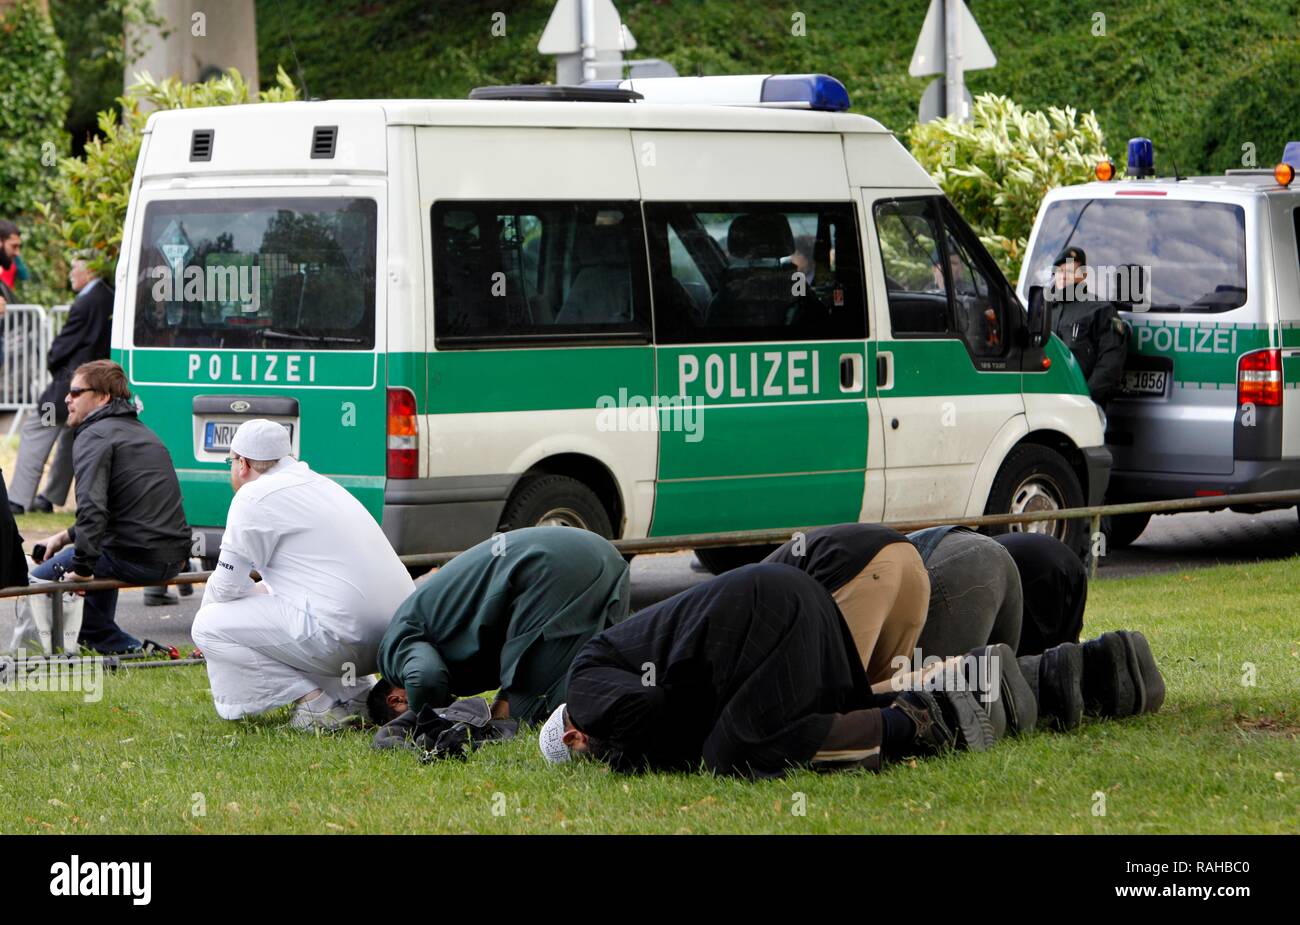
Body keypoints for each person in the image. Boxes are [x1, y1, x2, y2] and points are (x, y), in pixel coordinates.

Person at [540, 563, 1008, 777]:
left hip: (766, 612)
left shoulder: (582, 687)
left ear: (572, 737)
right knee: (832, 708)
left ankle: (915, 724)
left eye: (588, 755)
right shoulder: (609, 666)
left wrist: (625, 761)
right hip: (791, 597)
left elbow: (649, 707)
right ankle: (961, 688)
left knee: (737, 753)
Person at [191, 419, 414, 730]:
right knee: (299, 610)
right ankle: (356, 696)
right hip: (394, 640)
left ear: (242, 464)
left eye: (232, 461)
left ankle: (315, 707)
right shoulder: (323, 484)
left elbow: (226, 587)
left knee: (208, 625)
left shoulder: (253, 495)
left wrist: (204, 638)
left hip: (348, 640)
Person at [370, 526, 631, 732]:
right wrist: (500, 705)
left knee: (529, 707)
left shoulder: (394, 653)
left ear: (395, 700)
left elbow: (425, 677)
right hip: (603, 554)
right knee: (596, 675)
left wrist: (427, 725)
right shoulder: (424, 630)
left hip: (548, 566)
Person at [31, 360, 192, 653]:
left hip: (137, 558)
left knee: (39, 583)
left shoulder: (94, 435)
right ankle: (108, 643)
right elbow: (120, 511)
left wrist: (80, 569)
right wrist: (63, 538)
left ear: (103, 397)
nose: (67, 399)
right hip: (173, 557)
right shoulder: (140, 431)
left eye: (77, 392)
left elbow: (93, 509)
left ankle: (128, 647)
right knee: (96, 553)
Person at [763, 524, 929, 685]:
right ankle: (947, 675)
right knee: (885, 695)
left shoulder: (741, 607)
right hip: (911, 559)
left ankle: (946, 675)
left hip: (859, 561)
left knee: (834, 697)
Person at [9, 258, 112, 518]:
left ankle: (18, 499)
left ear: (89, 271)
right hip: (93, 387)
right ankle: (50, 496)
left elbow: (61, 347)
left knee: (35, 428)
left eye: (74, 269)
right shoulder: (108, 296)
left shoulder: (85, 302)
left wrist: (53, 362)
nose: (70, 275)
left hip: (63, 389)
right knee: (70, 436)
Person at [1048, 246, 1126, 407]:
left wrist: (1085, 398)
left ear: (1083, 275)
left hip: (1084, 404)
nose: (1063, 276)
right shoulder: (1044, 311)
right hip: (1047, 402)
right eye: (1059, 271)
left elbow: (1110, 364)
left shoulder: (1101, 310)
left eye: (1070, 271)